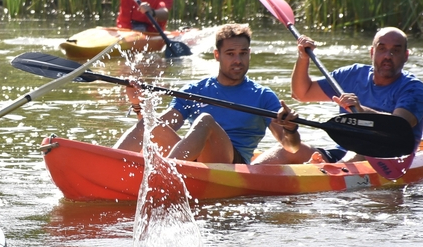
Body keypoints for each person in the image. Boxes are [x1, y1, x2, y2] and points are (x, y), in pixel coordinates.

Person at [114, 23, 302, 164]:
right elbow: (161, 127)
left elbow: (291, 147)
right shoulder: (194, 90)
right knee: (149, 123)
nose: (238, 60)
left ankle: (164, 176)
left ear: (249, 54)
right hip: (193, 159)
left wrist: (291, 129)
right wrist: (138, 103)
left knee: (206, 120)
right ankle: (109, 166)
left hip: (231, 164)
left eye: (243, 53)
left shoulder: (262, 95)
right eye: (230, 54)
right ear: (217, 55)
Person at [261, 26, 423, 164]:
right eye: (382, 49)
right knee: (283, 152)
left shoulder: (414, 89)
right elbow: (301, 93)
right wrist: (303, 58)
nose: (387, 56)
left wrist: (361, 110)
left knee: (358, 153)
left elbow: (399, 126)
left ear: (405, 56)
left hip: (388, 156)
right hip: (342, 152)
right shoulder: (352, 75)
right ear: (372, 52)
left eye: (395, 51)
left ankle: (327, 172)